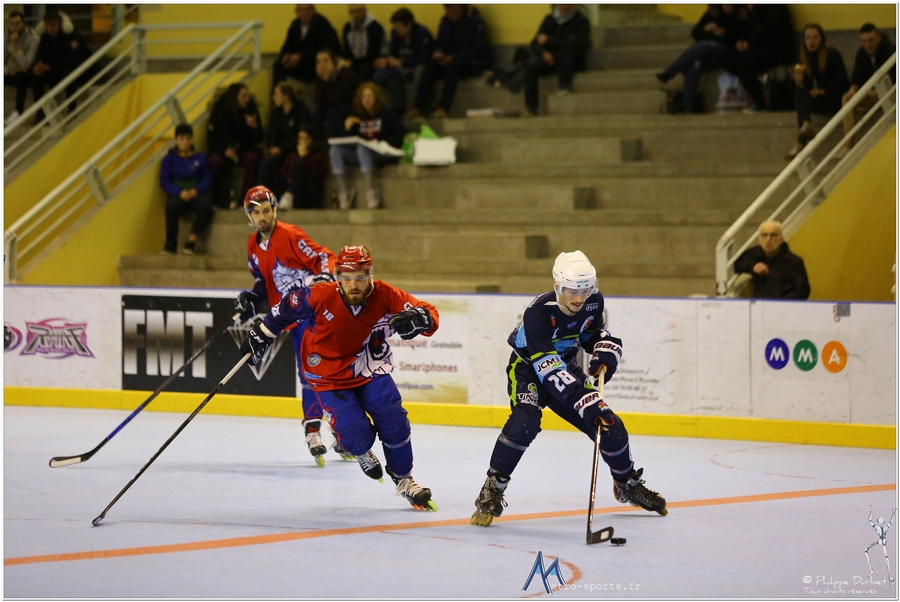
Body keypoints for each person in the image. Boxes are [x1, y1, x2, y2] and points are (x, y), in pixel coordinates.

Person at [470, 251, 667, 527]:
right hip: (529, 370)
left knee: (609, 426)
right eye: (572, 290)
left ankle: (626, 483)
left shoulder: (593, 302)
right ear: (556, 285)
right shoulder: (538, 313)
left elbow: (591, 333)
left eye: (585, 290)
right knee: (525, 423)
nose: (579, 298)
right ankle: (493, 487)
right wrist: (582, 397)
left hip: (565, 366)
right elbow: (547, 368)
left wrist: (605, 348)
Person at [239, 244, 440, 511]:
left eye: (360, 277)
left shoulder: (385, 294)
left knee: (395, 421)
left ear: (370, 275)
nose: (353, 284)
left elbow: (429, 311)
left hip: (369, 368)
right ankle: (361, 450)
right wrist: (263, 333)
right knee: (356, 435)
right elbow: (285, 308)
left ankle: (404, 479)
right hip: (327, 375)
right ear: (337, 277)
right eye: (346, 277)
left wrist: (422, 318)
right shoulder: (319, 295)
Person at [234, 186, 351, 465]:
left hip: (314, 313)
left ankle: (340, 431)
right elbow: (264, 281)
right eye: (256, 213)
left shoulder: (290, 235)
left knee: (327, 371)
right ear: (249, 215)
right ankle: (315, 430)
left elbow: (326, 258)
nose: (262, 217)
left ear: (275, 210)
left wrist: (324, 275)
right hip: (290, 317)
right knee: (308, 374)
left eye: (267, 211)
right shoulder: (253, 245)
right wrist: (254, 298)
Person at [329, 81, 405, 210]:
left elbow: (401, 133)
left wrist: (380, 142)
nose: (367, 99)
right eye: (363, 96)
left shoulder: (386, 113)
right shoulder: (359, 116)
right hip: (363, 154)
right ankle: (344, 191)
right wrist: (348, 128)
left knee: (363, 148)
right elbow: (350, 139)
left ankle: (371, 190)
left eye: (370, 96)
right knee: (335, 150)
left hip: (384, 152)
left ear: (376, 97)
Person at [406, 4, 490, 119]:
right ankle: (418, 107)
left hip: (469, 61)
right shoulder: (445, 22)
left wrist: (455, 56)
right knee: (430, 67)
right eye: (448, 10)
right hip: (449, 58)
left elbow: (478, 48)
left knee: (453, 68)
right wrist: (439, 52)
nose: (451, 14)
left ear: (462, 8)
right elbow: (440, 42)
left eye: (454, 11)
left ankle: (443, 108)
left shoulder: (476, 23)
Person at [656, 4, 744, 114]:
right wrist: (705, 30)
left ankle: (670, 72)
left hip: (725, 53)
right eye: (725, 5)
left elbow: (735, 39)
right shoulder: (713, 13)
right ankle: (687, 105)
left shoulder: (738, 17)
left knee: (704, 45)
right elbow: (695, 33)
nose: (727, 8)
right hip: (707, 54)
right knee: (696, 65)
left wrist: (722, 34)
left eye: (730, 5)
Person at [785, 24, 849, 159]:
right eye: (808, 38)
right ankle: (805, 126)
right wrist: (799, 82)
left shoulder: (832, 55)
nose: (811, 42)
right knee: (799, 90)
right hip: (815, 99)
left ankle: (801, 145)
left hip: (833, 98)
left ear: (821, 39)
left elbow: (843, 81)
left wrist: (824, 91)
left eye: (815, 37)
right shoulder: (802, 58)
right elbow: (804, 89)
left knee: (802, 98)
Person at [521, 4, 591, 117]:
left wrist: (549, 41)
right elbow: (534, 44)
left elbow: (578, 45)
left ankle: (564, 86)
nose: (566, 5)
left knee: (570, 41)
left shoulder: (581, 20)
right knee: (531, 64)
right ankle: (531, 108)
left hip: (571, 61)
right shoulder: (549, 19)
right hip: (549, 59)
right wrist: (543, 53)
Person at [838, 24, 896, 158]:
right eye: (864, 41)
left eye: (871, 40)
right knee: (847, 99)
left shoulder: (892, 51)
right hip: (871, 95)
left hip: (891, 94)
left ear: (878, 38)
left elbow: (893, 82)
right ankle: (848, 145)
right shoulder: (861, 54)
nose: (868, 45)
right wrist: (853, 89)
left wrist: (868, 93)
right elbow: (856, 77)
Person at [723, 4, 794, 112]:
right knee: (729, 58)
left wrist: (748, 44)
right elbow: (748, 29)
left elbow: (766, 29)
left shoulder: (775, 7)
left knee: (743, 63)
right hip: (761, 47)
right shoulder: (752, 9)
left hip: (779, 49)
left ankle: (759, 102)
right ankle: (744, 97)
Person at [158, 123, 213, 255]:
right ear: (177, 140)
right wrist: (179, 192)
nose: (185, 142)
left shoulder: (200, 157)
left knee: (206, 207)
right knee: (171, 207)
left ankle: (191, 241)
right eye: (182, 139)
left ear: (191, 139)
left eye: (188, 138)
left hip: (195, 194)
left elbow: (207, 178)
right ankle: (170, 244)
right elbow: (164, 181)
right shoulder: (169, 159)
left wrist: (196, 190)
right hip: (178, 195)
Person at [206, 82, 263, 209]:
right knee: (214, 161)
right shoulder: (219, 112)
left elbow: (258, 139)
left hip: (242, 150)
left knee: (252, 159)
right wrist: (224, 150)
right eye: (243, 96)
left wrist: (254, 127)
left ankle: (245, 199)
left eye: (247, 96)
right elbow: (212, 139)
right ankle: (220, 200)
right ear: (234, 97)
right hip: (224, 151)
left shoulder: (251, 111)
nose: (246, 99)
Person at [372, 8, 435, 115]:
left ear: (409, 24)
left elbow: (424, 57)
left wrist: (402, 63)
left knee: (423, 70)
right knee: (386, 76)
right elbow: (393, 53)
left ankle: (419, 107)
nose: (397, 30)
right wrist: (386, 61)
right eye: (395, 27)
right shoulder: (395, 34)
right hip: (401, 69)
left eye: (400, 27)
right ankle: (398, 110)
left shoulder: (422, 34)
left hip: (417, 68)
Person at [29, 11, 90, 117]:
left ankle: (72, 111)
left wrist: (50, 67)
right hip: (54, 71)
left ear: (60, 24)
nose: (50, 28)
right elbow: (39, 55)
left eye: (53, 25)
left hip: (74, 71)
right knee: (35, 75)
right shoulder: (45, 37)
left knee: (69, 74)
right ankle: (40, 114)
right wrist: (37, 66)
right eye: (47, 25)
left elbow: (73, 60)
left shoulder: (71, 36)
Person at [258, 81, 312, 200]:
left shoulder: (301, 111)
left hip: (294, 150)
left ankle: (289, 195)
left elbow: (301, 135)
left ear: (286, 96)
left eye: (276, 94)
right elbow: (271, 134)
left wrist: (281, 148)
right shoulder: (276, 113)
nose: (274, 98)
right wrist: (271, 147)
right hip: (278, 153)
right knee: (265, 163)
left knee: (295, 161)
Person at [733, 220, 810, 299]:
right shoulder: (754, 254)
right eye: (764, 235)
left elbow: (803, 290)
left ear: (781, 240)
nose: (768, 239)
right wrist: (753, 266)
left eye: (773, 235)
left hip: (783, 304)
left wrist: (781, 303)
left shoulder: (794, 262)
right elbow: (735, 264)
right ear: (759, 239)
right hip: (758, 303)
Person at [272, 4, 340, 86]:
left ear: (314, 11)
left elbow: (326, 49)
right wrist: (285, 57)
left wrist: (301, 57)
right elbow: (287, 46)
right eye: (301, 10)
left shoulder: (322, 24)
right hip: (300, 64)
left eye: (307, 10)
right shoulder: (295, 25)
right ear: (297, 12)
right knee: (278, 65)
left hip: (314, 63)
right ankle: (279, 91)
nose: (305, 13)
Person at [312, 48, 361, 140]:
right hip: (337, 106)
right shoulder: (321, 77)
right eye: (318, 62)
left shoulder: (346, 75)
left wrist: (326, 81)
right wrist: (323, 80)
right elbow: (319, 101)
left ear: (333, 62)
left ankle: (343, 141)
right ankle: (317, 144)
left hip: (353, 107)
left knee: (332, 112)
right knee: (318, 113)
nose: (322, 65)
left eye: (325, 61)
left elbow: (336, 100)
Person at [278, 126, 328, 209]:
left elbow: (313, 176)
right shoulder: (293, 155)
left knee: (299, 162)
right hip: (290, 187)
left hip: (308, 193)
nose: (303, 141)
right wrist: (290, 178)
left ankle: (290, 195)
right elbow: (284, 171)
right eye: (301, 138)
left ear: (312, 140)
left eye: (307, 138)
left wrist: (303, 157)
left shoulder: (318, 156)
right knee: (269, 164)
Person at [4, 10, 38, 125]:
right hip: (9, 71)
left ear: (23, 23)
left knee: (21, 76)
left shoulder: (33, 39)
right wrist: (7, 70)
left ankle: (18, 112)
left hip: (24, 74)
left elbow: (25, 65)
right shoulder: (6, 36)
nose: (14, 27)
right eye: (12, 23)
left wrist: (16, 46)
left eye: (17, 23)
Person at [341, 4, 386, 82]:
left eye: (359, 11)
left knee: (364, 71)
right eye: (353, 12)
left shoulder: (375, 27)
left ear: (365, 11)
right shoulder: (347, 28)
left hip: (373, 62)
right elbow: (347, 50)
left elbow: (373, 54)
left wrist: (353, 63)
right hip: (355, 62)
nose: (356, 15)